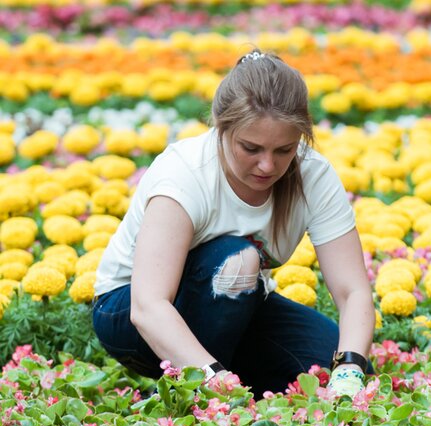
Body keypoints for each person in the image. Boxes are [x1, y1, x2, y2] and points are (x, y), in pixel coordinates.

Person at [91, 49, 375, 399]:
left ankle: (226, 376)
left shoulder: (313, 175)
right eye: (251, 148)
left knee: (328, 363)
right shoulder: (184, 176)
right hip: (128, 312)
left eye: (284, 150)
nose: (268, 166)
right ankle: (193, 389)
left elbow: (353, 291)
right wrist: (213, 381)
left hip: (237, 306)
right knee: (237, 260)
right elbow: (148, 307)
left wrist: (349, 367)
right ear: (222, 127)